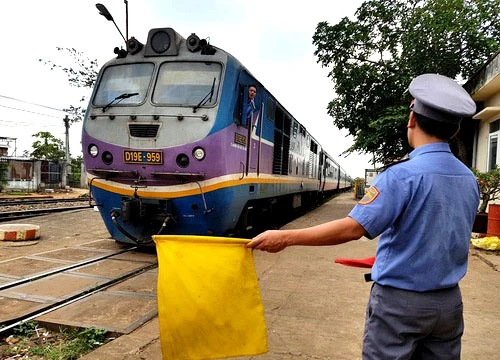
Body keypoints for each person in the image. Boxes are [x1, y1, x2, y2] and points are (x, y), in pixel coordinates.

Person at [246, 73, 479, 359]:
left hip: (400, 306)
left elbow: (352, 229)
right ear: (455, 131)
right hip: (449, 304)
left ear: (412, 120)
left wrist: (284, 237)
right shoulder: (469, 178)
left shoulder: (400, 176)